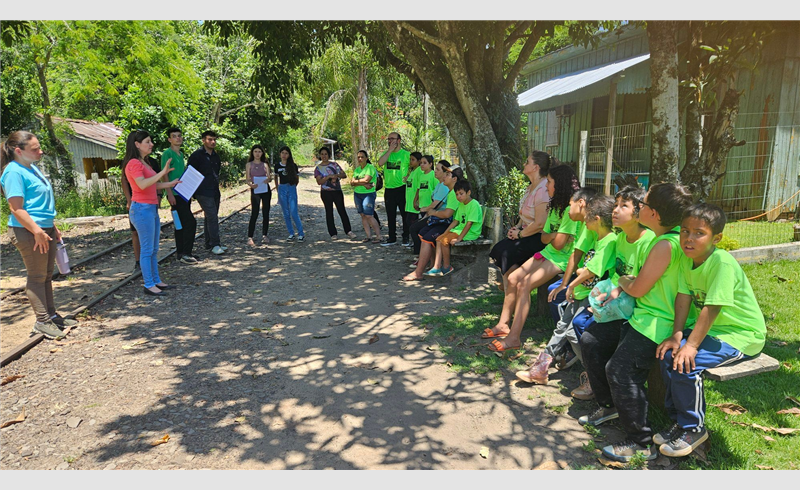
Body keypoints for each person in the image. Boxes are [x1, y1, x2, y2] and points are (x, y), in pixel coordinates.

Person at [578, 182, 694, 463]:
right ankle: (611, 408)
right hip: (645, 316)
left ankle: (641, 442)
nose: (639, 205)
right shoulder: (665, 239)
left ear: (654, 214)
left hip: (656, 322)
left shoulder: (663, 244)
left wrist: (623, 281)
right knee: (594, 343)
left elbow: (639, 287)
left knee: (620, 370)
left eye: (644, 203)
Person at [653, 203, 765, 457]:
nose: (689, 238)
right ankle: (679, 421)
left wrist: (691, 346)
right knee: (668, 355)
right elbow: (683, 297)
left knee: (687, 364)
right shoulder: (688, 260)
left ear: (717, 238)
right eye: (685, 231)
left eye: (699, 233)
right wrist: (677, 335)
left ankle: (694, 428)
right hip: (713, 331)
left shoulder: (722, 263)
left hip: (741, 335)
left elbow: (712, 307)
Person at [516, 194, 616, 385]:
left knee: (571, 331)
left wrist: (571, 282)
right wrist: (571, 283)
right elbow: (581, 261)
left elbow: (591, 270)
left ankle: (596, 374)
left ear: (596, 218)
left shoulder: (609, 240)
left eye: (588, 215)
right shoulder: (594, 234)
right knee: (562, 328)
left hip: (591, 296)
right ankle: (540, 369)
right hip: (581, 291)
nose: (583, 219)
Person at [483, 164, 582, 351]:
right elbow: (546, 238)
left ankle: (514, 338)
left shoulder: (570, 210)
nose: (546, 186)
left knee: (524, 284)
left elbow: (560, 245)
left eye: (549, 182)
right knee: (513, 278)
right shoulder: (555, 207)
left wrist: (553, 237)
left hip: (563, 258)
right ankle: (503, 324)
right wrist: (555, 236)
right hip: (548, 253)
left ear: (559, 184)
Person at [1, 131, 77, 339]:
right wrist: (37, 231)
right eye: (35, 149)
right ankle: (42, 321)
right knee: (36, 276)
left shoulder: (31, 167)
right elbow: (16, 208)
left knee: (46, 275)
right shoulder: (13, 172)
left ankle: (51, 316)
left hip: (44, 228)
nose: (40, 151)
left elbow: (39, 204)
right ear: (18, 151)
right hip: (28, 231)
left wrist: (52, 226)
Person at [123, 130, 181, 296]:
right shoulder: (134, 163)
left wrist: (170, 183)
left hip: (150, 208)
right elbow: (142, 184)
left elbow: (152, 185)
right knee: (147, 249)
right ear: (137, 144)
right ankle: (148, 284)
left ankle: (156, 280)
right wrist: (162, 173)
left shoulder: (144, 162)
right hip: (141, 209)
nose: (151, 144)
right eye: (147, 141)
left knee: (154, 248)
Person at [489, 151, 551, 293]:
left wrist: (520, 234)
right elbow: (523, 213)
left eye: (527, 162)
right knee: (498, 250)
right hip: (525, 233)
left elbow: (540, 223)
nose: (524, 164)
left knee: (506, 253)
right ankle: (511, 287)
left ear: (536, 167)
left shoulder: (543, 189)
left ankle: (512, 288)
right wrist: (515, 228)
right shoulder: (531, 187)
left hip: (538, 236)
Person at [403, 163, 463, 281]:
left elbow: (447, 214)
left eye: (447, 174)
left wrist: (433, 212)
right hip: (445, 223)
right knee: (422, 233)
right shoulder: (450, 191)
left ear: (454, 179)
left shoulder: (454, 194)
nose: (444, 176)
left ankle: (419, 272)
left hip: (451, 225)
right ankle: (432, 265)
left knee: (427, 238)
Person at [428, 179, 484, 276]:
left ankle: (447, 266)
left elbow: (469, 224)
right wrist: (446, 232)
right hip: (459, 230)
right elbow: (455, 221)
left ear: (468, 192)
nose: (459, 197)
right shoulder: (461, 204)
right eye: (457, 194)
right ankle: (436, 267)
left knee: (444, 240)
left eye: (461, 194)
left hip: (470, 233)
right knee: (439, 239)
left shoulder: (474, 204)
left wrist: (459, 239)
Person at [162, 127, 198, 264]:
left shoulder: (181, 154)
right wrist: (169, 193)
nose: (178, 138)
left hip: (184, 193)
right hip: (175, 194)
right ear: (169, 139)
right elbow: (164, 174)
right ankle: (186, 253)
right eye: (174, 136)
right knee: (190, 222)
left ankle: (181, 252)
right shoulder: (167, 153)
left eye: (179, 135)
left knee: (180, 224)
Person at [188, 130, 226, 255]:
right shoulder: (196, 156)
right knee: (212, 216)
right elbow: (190, 173)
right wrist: (192, 192)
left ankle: (209, 243)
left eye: (214, 139)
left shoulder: (216, 156)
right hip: (202, 191)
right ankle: (215, 244)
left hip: (214, 190)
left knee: (210, 217)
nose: (213, 142)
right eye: (210, 139)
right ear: (203, 140)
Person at [409, 156, 446, 266]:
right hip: (433, 215)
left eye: (438, 169)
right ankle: (423, 258)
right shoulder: (439, 184)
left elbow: (437, 204)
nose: (435, 171)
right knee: (416, 228)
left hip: (440, 219)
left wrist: (425, 209)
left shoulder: (444, 186)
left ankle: (423, 258)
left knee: (417, 229)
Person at [377, 132, 410, 246]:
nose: (390, 141)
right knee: (390, 214)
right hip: (389, 188)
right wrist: (390, 150)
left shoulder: (406, 154)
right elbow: (380, 163)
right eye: (388, 139)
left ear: (399, 140)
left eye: (392, 138)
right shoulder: (387, 154)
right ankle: (392, 237)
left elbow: (415, 167)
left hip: (402, 188)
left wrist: (409, 176)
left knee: (405, 214)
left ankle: (406, 237)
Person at [314, 147, 354, 240]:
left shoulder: (335, 165)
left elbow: (344, 175)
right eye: (322, 154)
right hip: (325, 192)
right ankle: (333, 233)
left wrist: (336, 175)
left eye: (326, 154)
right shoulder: (318, 168)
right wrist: (328, 177)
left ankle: (348, 231)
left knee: (342, 210)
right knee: (329, 212)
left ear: (329, 155)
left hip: (337, 191)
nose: (324, 156)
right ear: (320, 155)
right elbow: (319, 182)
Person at [274, 146, 304, 242]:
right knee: (286, 213)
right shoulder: (277, 166)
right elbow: (276, 178)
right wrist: (278, 189)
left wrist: (292, 187)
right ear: (280, 154)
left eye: (286, 153)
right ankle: (291, 233)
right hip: (282, 188)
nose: (284, 155)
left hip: (291, 187)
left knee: (294, 212)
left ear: (289, 155)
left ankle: (301, 233)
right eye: (282, 153)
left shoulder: (293, 165)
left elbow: (297, 179)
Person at [350, 150, 381, 242]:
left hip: (368, 194)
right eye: (358, 157)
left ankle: (379, 236)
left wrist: (357, 182)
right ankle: (368, 236)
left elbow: (367, 180)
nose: (360, 159)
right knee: (363, 215)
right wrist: (362, 183)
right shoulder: (357, 169)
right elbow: (351, 182)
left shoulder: (370, 167)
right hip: (357, 194)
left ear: (366, 158)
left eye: (362, 157)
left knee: (369, 215)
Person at [245, 145, 273, 246]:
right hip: (255, 189)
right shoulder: (249, 164)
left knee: (266, 212)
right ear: (252, 153)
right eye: (255, 151)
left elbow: (270, 178)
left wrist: (268, 179)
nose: (257, 154)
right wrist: (251, 185)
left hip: (265, 189)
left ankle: (265, 234)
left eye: (259, 152)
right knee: (255, 212)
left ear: (262, 153)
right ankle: (250, 236)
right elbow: (248, 179)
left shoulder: (265, 164)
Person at [402, 151, 423, 247]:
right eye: (410, 159)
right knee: (409, 222)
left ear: (419, 161)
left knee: (412, 223)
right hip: (409, 202)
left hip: (414, 202)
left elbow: (418, 187)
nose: (411, 161)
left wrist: (416, 200)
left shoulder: (419, 171)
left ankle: (417, 242)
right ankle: (415, 241)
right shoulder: (412, 171)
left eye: (413, 160)